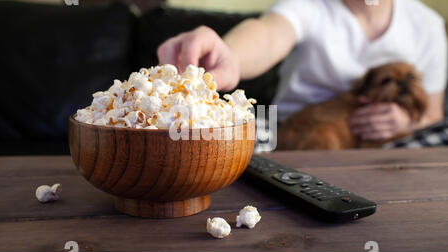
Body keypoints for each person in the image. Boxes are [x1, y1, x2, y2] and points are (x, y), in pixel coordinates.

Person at [157, 0, 447, 142]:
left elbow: (433, 115)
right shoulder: (309, 5)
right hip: (284, 129)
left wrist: (405, 124)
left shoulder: (428, 25)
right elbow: (269, 34)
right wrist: (230, 55)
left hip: (382, 144)